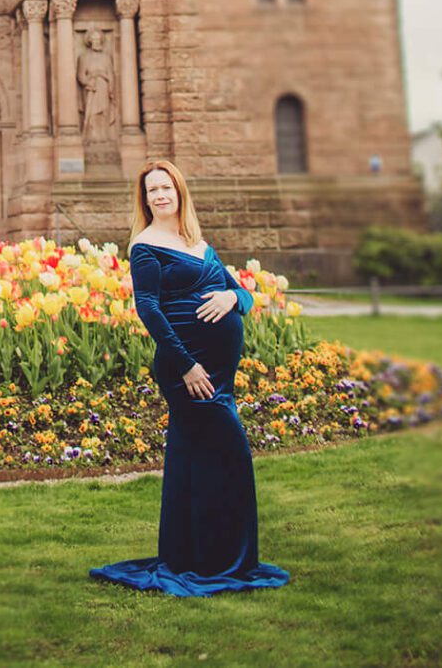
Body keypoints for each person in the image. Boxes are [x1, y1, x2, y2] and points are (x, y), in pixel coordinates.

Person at [90, 158, 293, 596]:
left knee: (200, 460)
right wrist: (186, 365)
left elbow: (245, 293)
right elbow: (149, 309)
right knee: (230, 453)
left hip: (219, 371)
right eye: (152, 190)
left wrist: (231, 297)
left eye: (166, 187)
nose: (160, 195)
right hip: (187, 368)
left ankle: (200, 555)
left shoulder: (197, 242)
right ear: (144, 200)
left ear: (180, 191)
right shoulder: (144, 246)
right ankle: (218, 559)